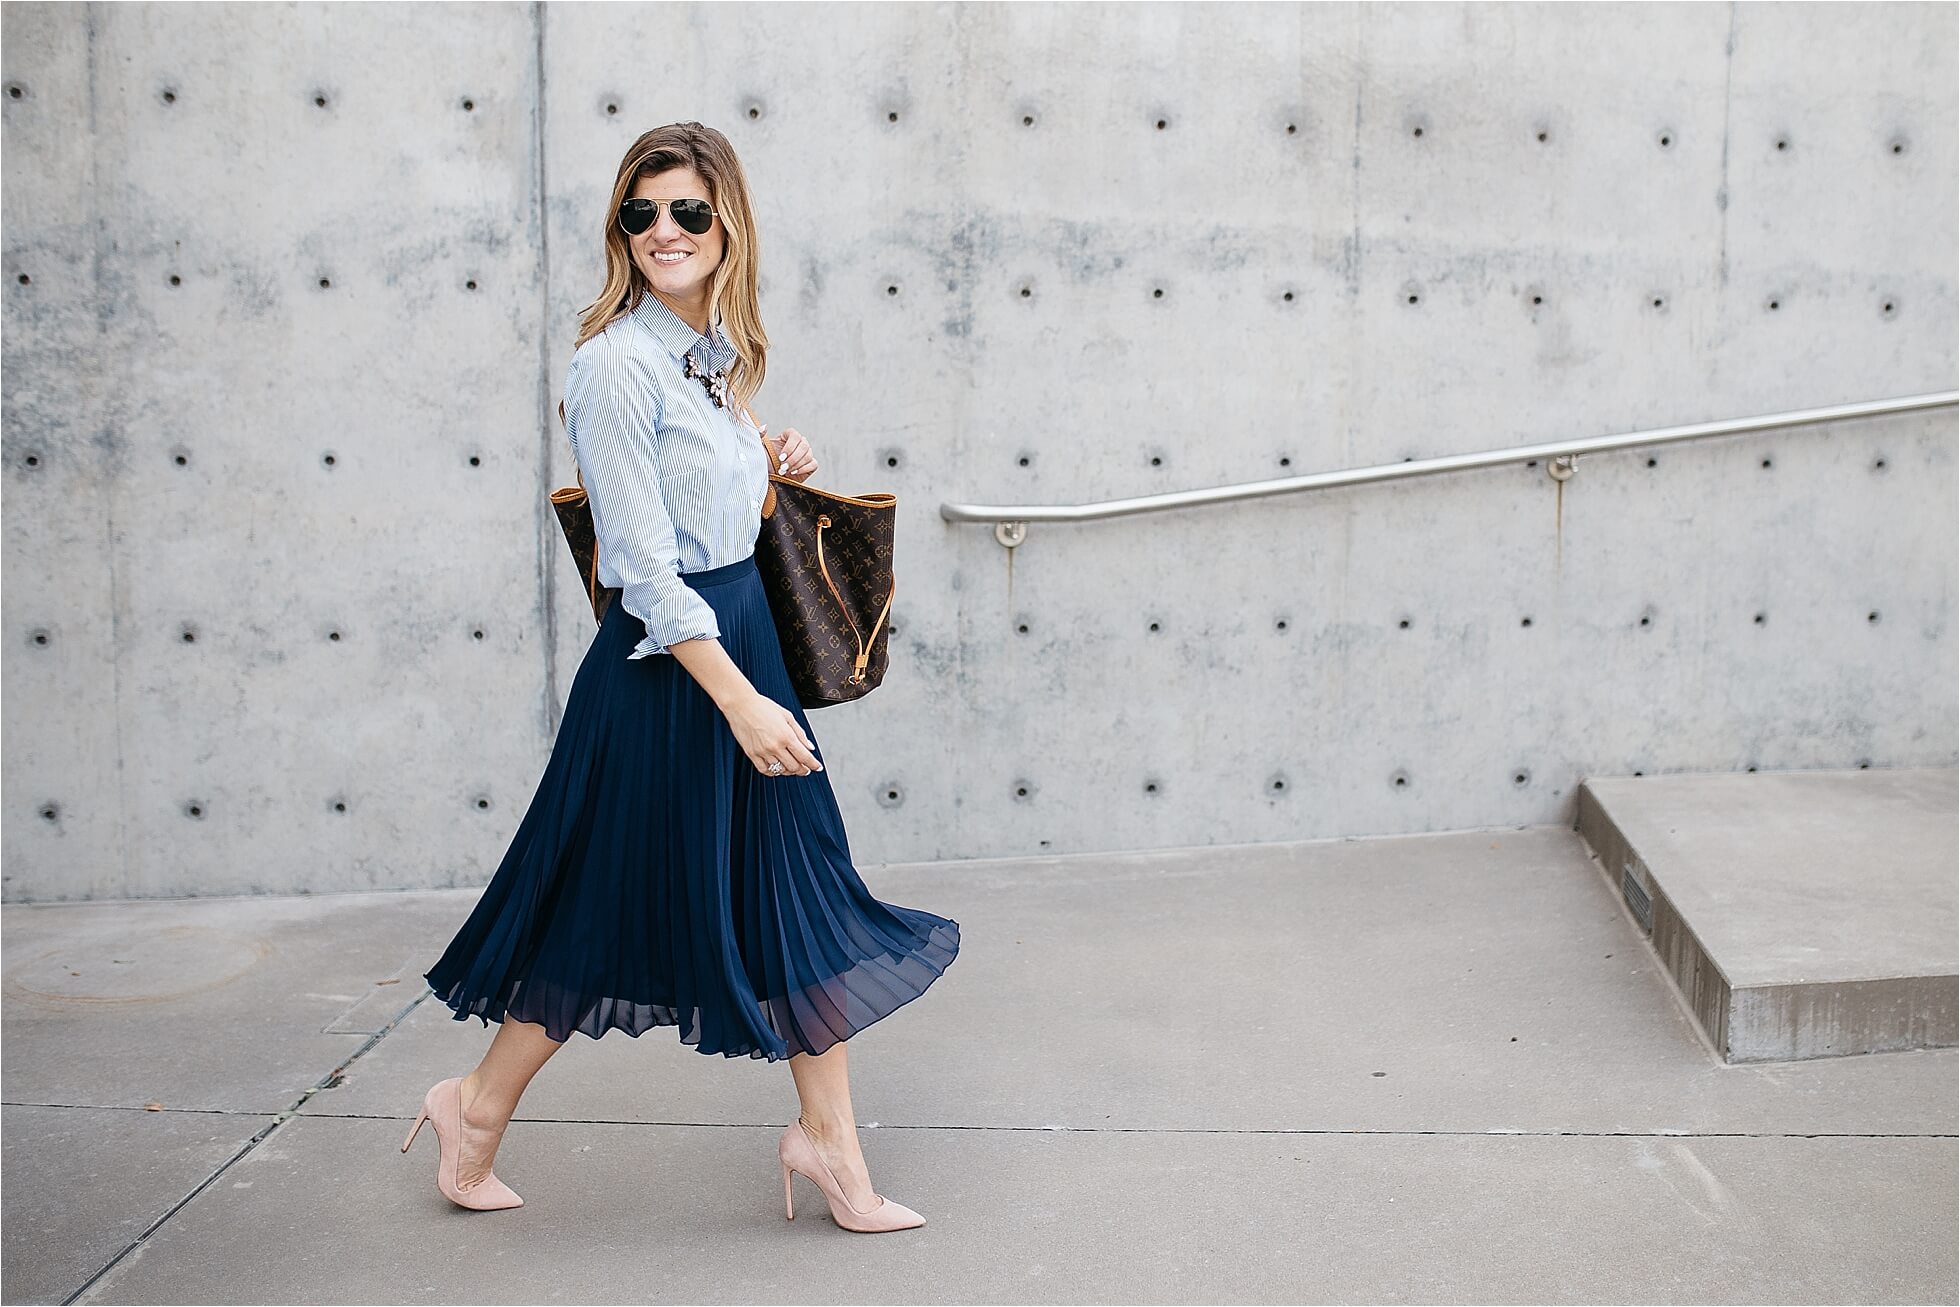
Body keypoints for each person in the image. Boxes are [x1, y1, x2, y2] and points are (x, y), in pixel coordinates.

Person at [401, 121, 960, 1234]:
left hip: (738, 646)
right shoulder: (612, 365)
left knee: (795, 884)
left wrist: (768, 461)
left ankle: (832, 1149)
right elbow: (645, 569)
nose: (664, 230)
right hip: (673, 674)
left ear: (727, 225)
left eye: (687, 212)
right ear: (624, 230)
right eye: (641, 212)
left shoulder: (707, 357)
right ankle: (473, 1103)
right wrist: (741, 699)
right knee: (599, 911)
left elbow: (726, 519)